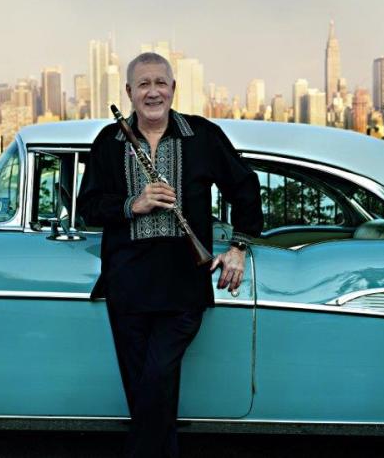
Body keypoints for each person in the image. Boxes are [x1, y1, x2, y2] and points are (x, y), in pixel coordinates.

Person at [77, 52, 263, 458]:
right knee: (147, 389)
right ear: (129, 92)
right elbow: (87, 207)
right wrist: (133, 203)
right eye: (143, 84)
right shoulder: (108, 142)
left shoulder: (203, 136)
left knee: (156, 378)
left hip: (184, 288)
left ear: (173, 88)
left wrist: (238, 247)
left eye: (160, 82)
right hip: (127, 288)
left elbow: (246, 188)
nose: (153, 91)